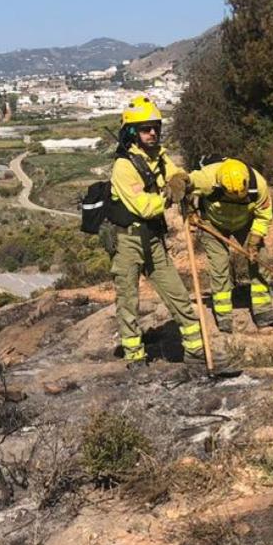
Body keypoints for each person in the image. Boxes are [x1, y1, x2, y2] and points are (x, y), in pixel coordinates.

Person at [101, 95, 206, 369]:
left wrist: (181, 180)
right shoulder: (124, 167)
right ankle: (135, 357)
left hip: (153, 240)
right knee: (128, 300)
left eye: (156, 128)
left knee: (179, 295)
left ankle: (195, 352)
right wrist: (170, 195)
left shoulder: (159, 157)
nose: (153, 133)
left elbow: (176, 175)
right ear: (133, 132)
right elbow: (146, 207)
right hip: (128, 241)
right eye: (146, 128)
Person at [185, 157, 273, 332]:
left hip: (245, 222)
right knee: (219, 266)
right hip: (213, 224)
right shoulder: (207, 178)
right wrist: (190, 210)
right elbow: (186, 185)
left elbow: (263, 215)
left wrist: (254, 241)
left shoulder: (258, 184)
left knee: (259, 259)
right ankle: (224, 317)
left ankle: (263, 310)